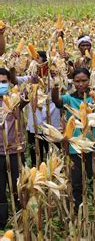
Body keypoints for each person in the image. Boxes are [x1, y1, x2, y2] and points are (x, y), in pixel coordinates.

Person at [52, 68, 95, 210]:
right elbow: (56, 100)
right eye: (77, 81)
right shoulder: (69, 98)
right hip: (75, 147)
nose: (81, 84)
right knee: (76, 181)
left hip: (94, 144)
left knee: (93, 178)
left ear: (89, 80)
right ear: (73, 82)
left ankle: (94, 207)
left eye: (84, 81)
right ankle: (77, 208)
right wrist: (55, 85)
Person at [0, 68, 25, 230]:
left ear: (9, 82)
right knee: (0, 189)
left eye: (3, 82)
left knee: (18, 188)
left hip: (15, 151)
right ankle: (2, 222)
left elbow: (28, 100)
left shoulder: (15, 100)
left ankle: (21, 220)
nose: (1, 85)